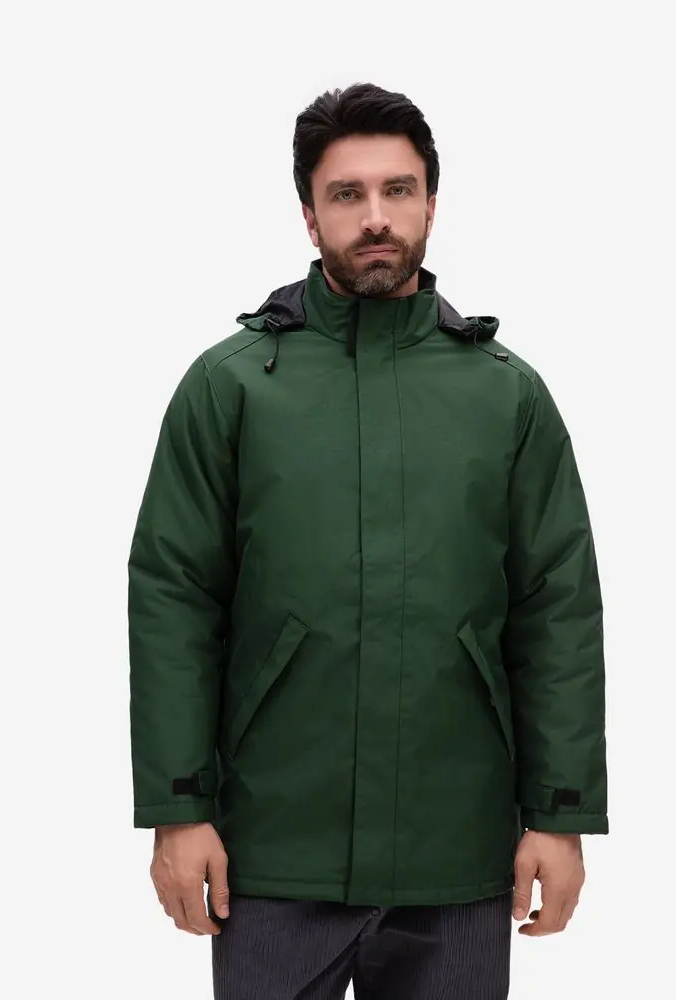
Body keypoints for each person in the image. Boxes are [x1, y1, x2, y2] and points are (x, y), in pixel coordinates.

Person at [127, 82, 608, 1000]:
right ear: (310, 216)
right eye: (347, 194)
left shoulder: (505, 393)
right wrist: (178, 811)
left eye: (398, 189)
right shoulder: (233, 387)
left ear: (432, 204)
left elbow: (557, 608)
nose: (375, 216)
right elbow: (174, 598)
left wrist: (560, 816)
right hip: (273, 852)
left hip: (458, 852)